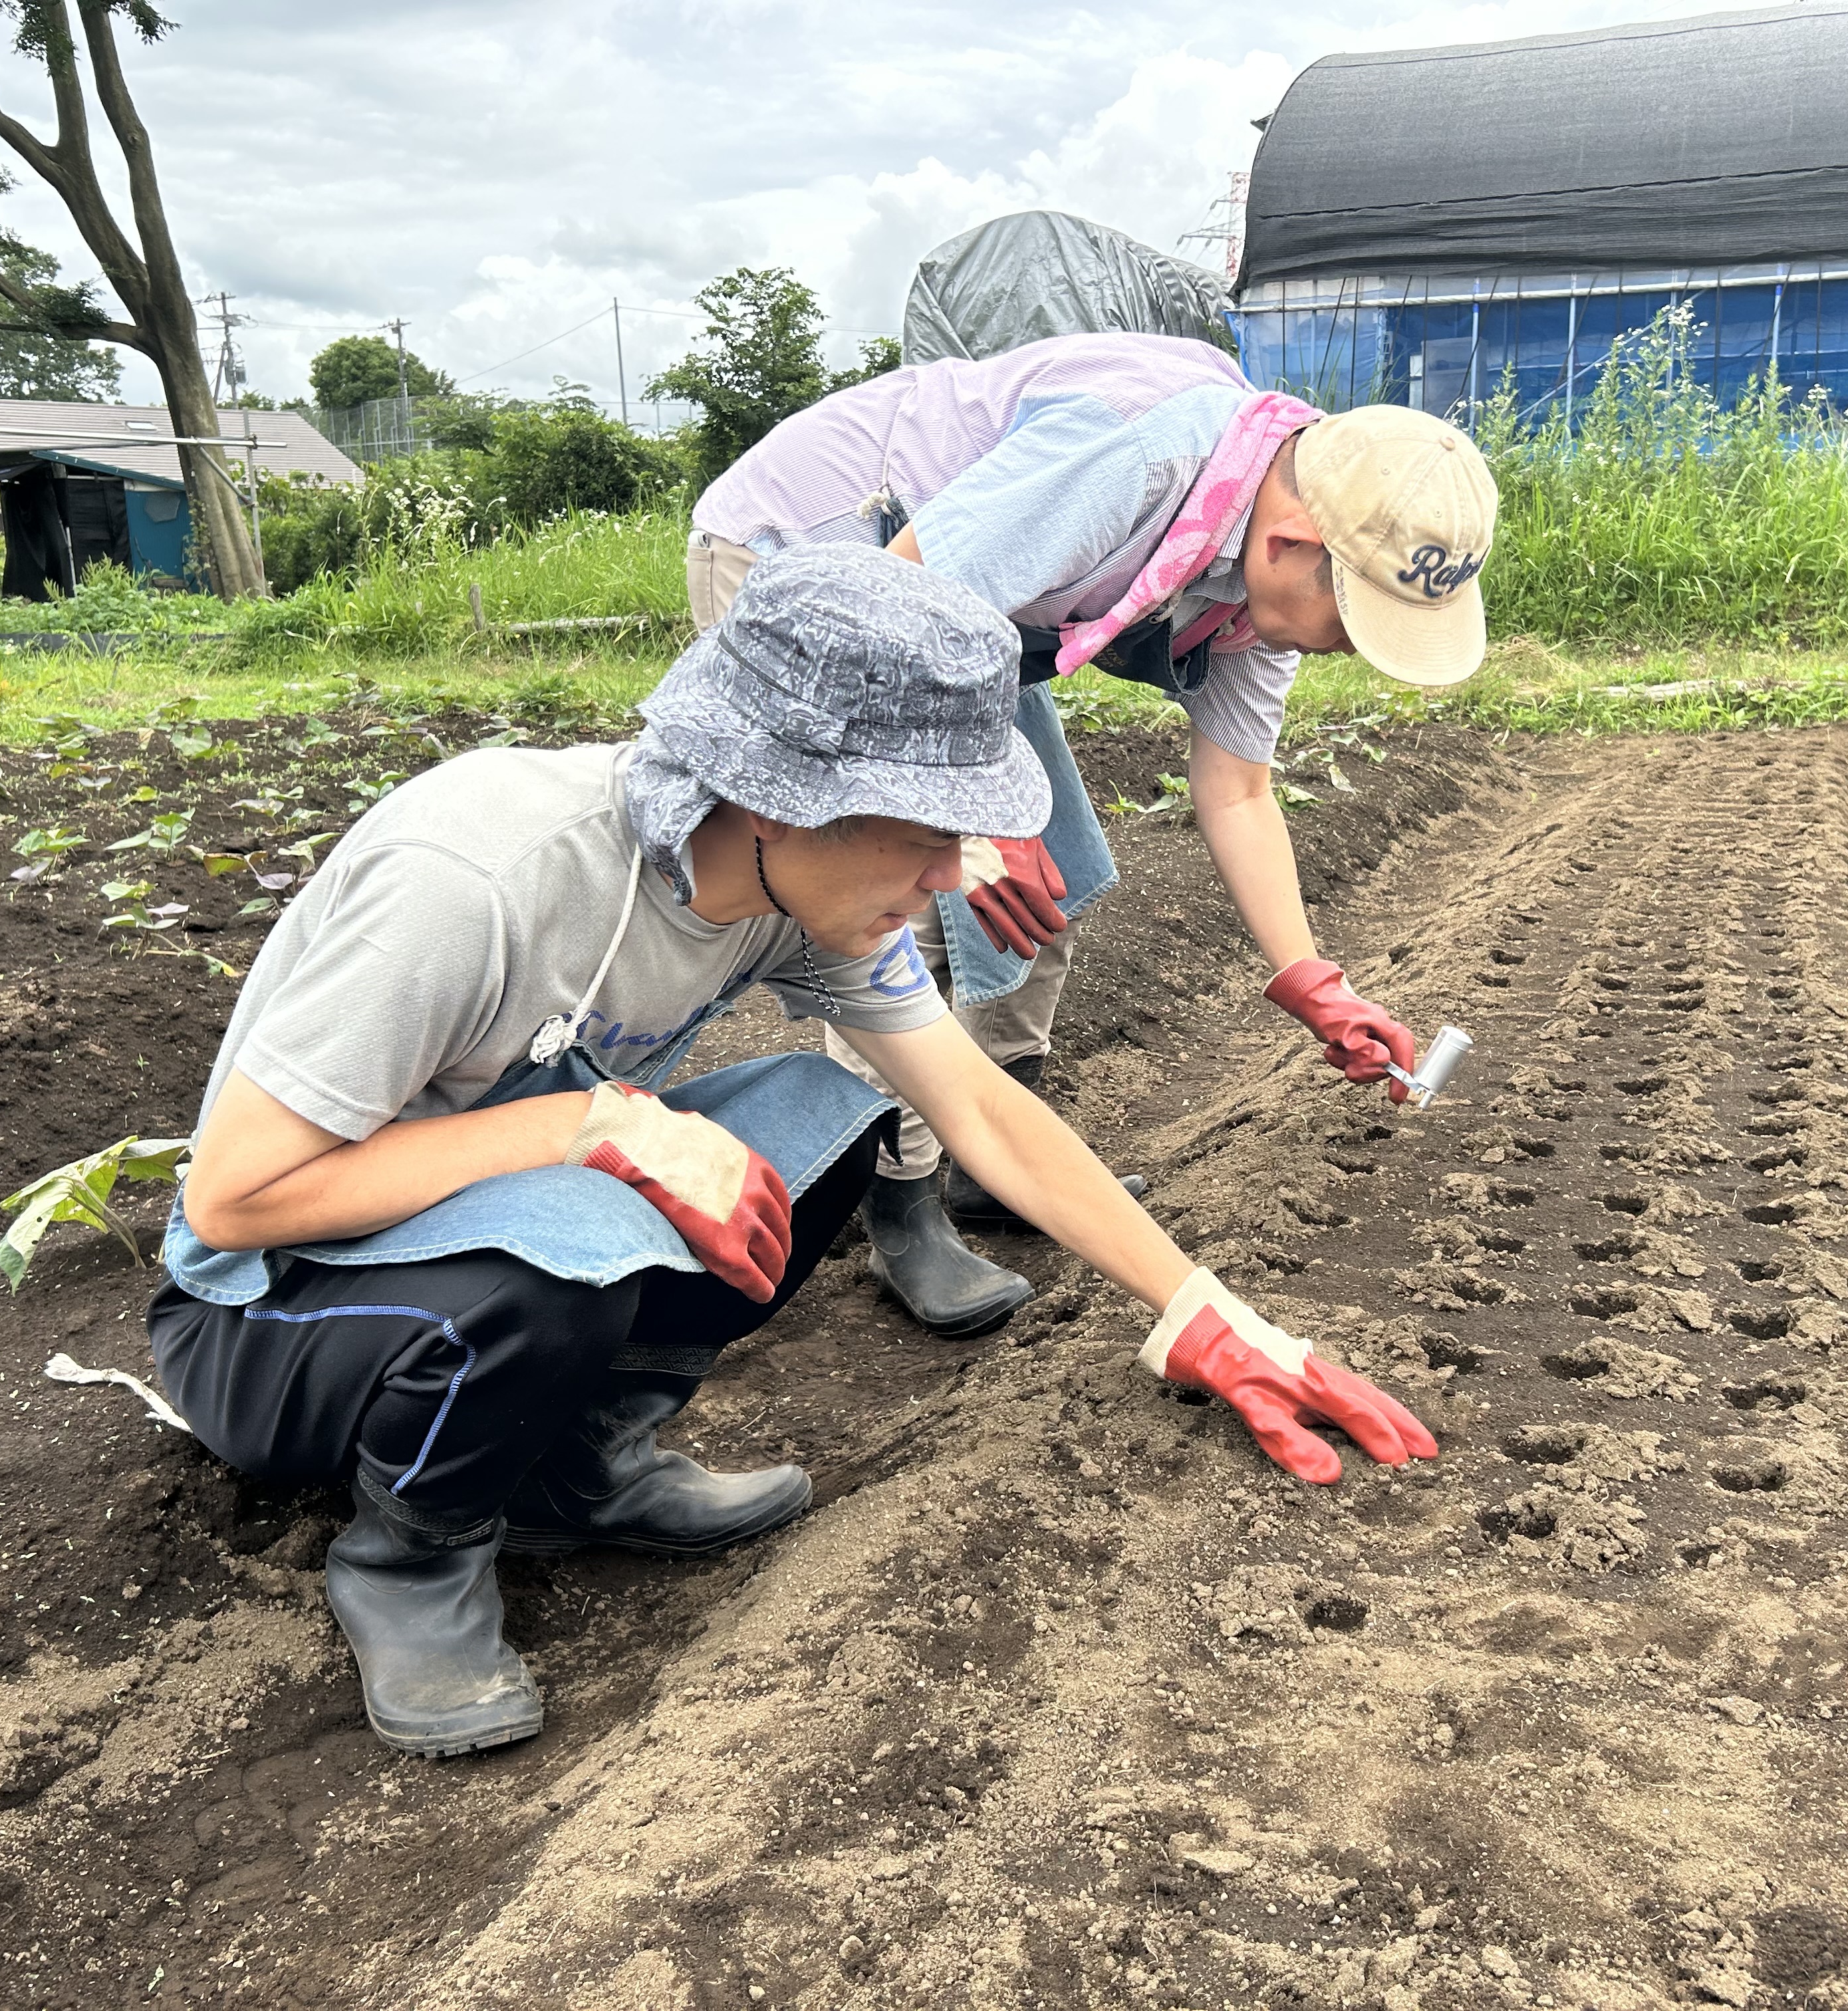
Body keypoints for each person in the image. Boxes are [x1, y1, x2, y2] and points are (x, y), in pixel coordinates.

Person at [147, 545, 1438, 1760]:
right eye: (924, 826)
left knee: (836, 1128)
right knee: (572, 1239)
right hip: (275, 1314)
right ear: (778, 789)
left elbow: (981, 1111)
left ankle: (581, 1466)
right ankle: (414, 1555)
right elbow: (239, 1194)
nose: (954, 871)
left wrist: (1209, 1315)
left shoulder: (797, 894)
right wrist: (589, 1126)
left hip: (470, 1235)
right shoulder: (483, 875)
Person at [690, 332, 1498, 1339]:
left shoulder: (1258, 584)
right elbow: (898, 616)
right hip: (827, 566)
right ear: (1293, 544)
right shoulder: (1142, 455)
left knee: (1047, 875)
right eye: (1353, 618)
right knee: (894, 914)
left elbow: (1238, 792)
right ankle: (900, 1204)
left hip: (976, 613)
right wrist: (970, 833)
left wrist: (1311, 981)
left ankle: (998, 1166)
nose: (1347, 647)